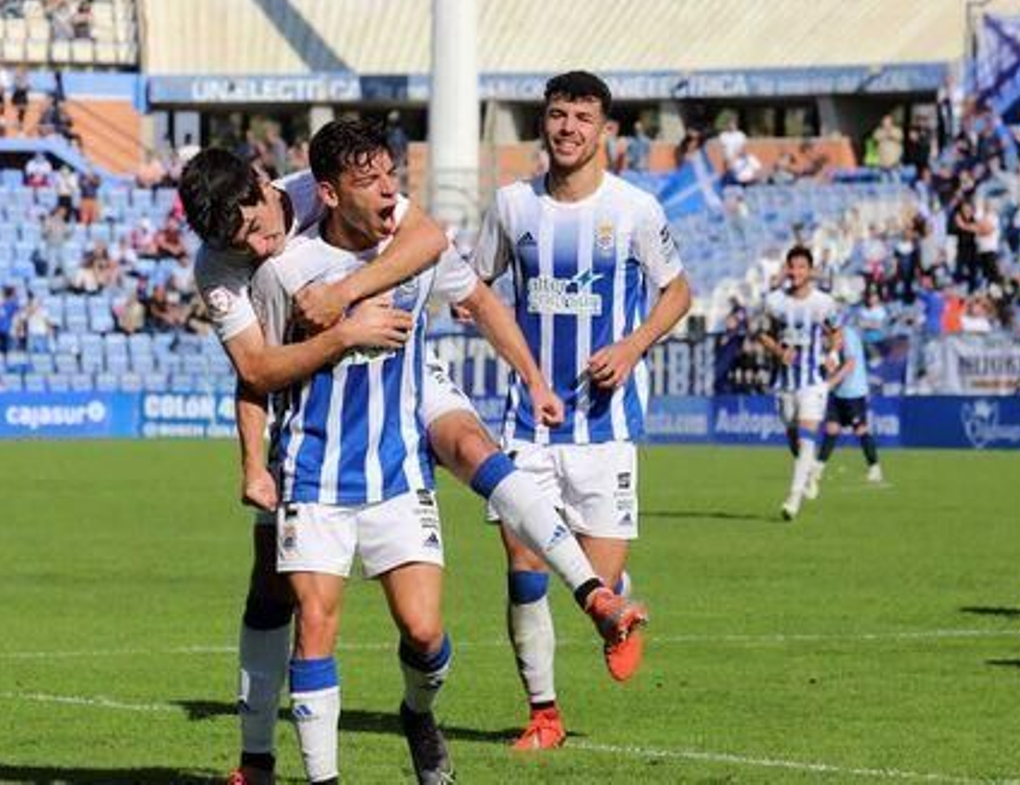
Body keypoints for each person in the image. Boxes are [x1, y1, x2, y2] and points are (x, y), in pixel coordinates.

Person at [181, 140, 644, 784]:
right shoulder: (228, 269)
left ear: (268, 186)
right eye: (241, 244)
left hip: (401, 364)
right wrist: (253, 461)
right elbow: (255, 371)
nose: (259, 247)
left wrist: (347, 297)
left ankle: (594, 596)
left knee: (473, 452)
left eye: (258, 229)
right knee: (275, 588)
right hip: (313, 406)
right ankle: (257, 759)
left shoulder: (343, 191)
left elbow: (436, 251)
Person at [471, 71, 692, 751]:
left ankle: (614, 599)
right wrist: (523, 366)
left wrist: (630, 347)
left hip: (607, 424)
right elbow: (476, 289)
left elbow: (677, 292)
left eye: (582, 117)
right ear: (545, 122)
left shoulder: (635, 210)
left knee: (595, 582)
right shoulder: (511, 206)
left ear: (606, 132)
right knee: (523, 560)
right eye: (558, 115)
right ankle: (545, 715)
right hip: (527, 421)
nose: (567, 128)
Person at [761, 245, 839, 520]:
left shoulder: (823, 303)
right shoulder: (775, 301)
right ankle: (807, 474)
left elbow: (836, 330)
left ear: (811, 271)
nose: (795, 272)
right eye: (792, 267)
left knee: (807, 436)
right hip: (785, 383)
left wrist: (832, 353)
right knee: (795, 439)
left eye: (801, 267)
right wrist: (779, 352)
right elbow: (763, 334)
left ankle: (793, 499)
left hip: (812, 382)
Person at [811, 319, 883, 488]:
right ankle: (818, 468)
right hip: (838, 392)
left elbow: (850, 365)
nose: (823, 330)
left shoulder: (849, 335)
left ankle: (874, 468)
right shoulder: (830, 338)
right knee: (831, 429)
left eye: (825, 327)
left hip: (854, 391)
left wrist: (829, 384)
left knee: (860, 430)